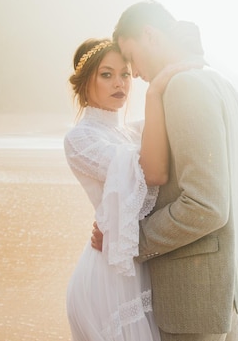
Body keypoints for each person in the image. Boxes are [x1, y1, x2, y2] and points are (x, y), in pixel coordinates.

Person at [91, 1, 238, 341]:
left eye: (131, 56)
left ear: (150, 35)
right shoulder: (223, 86)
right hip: (226, 286)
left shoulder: (185, 88)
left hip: (194, 296)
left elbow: (206, 205)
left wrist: (128, 242)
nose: (133, 72)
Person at [64, 37, 190, 340]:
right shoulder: (80, 139)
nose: (119, 82)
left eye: (124, 73)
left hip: (139, 263)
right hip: (108, 280)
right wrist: (154, 93)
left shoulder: (131, 130)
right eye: (106, 74)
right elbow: (152, 170)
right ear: (84, 83)